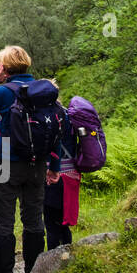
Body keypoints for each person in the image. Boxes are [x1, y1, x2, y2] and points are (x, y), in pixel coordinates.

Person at [0, 45, 63, 273]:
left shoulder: (3, 92)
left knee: (4, 221)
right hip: (37, 163)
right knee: (34, 219)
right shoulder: (45, 90)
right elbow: (57, 127)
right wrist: (54, 165)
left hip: (6, 162)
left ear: (3, 68)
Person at [45, 96, 81, 250]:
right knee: (63, 222)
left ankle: (53, 262)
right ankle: (67, 256)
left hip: (54, 174)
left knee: (51, 223)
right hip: (72, 174)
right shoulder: (68, 115)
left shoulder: (47, 116)